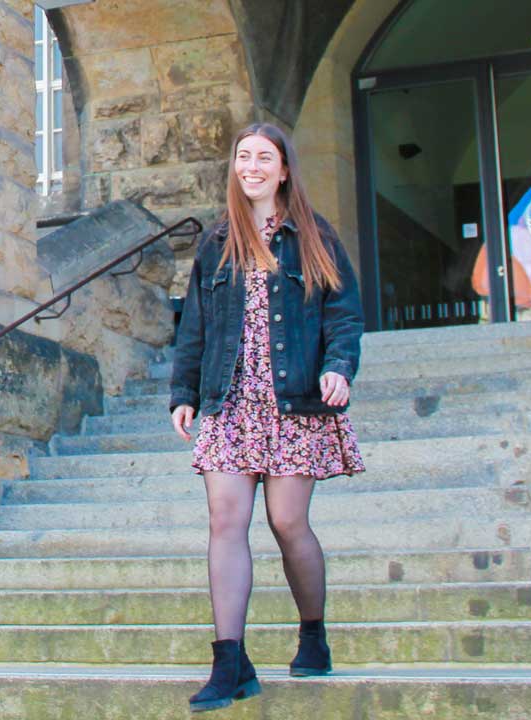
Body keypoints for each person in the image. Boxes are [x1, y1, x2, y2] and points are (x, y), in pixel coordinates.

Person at [168, 122, 366, 713]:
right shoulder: (216, 242)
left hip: (294, 401)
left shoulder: (313, 236)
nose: (251, 166)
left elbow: (344, 314)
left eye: (264, 157)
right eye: (243, 157)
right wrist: (184, 393)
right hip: (230, 401)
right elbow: (194, 328)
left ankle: (313, 633)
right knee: (224, 521)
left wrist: (339, 367)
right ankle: (229, 661)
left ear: (283, 169)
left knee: (286, 523)